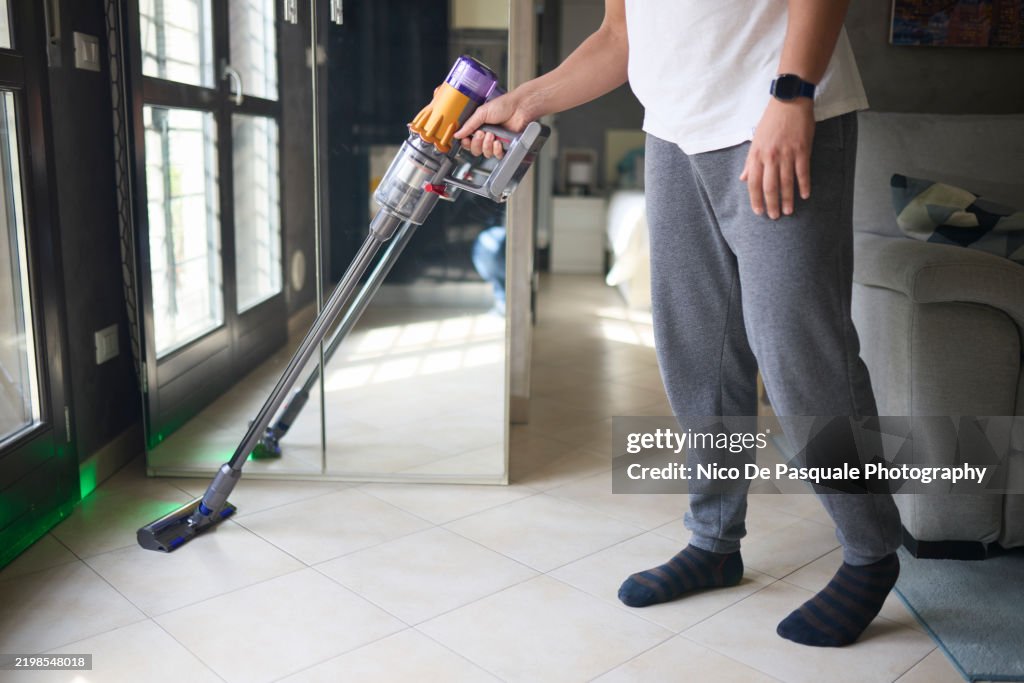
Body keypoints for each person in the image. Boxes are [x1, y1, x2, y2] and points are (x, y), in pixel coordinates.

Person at [454, 0, 903, 648]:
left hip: (774, 112)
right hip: (673, 134)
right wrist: (526, 102)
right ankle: (715, 540)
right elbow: (619, 35)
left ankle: (869, 550)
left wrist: (794, 92)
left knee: (799, 350)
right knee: (696, 349)